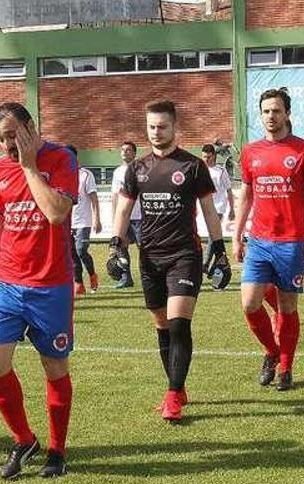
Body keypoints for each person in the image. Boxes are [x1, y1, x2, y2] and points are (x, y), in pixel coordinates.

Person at [111, 100, 224, 422]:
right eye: (151, 127)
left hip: (184, 255)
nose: (156, 132)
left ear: (175, 128)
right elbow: (123, 210)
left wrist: (219, 246)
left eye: (162, 126)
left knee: (178, 324)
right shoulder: (138, 169)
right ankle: (178, 385)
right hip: (150, 256)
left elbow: (208, 210)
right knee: (161, 325)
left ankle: (173, 396)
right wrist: (116, 245)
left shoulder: (192, 166)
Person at [0, 102, 76, 480]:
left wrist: (29, 167)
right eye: (0, 139)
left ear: (30, 127)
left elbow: (56, 212)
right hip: (7, 282)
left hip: (50, 286)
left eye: (11, 135)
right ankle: (23, 439)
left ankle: (57, 449)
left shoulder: (61, 159)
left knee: (54, 367)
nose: (6, 145)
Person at [231, 89, 304, 392]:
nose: (271, 116)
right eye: (266, 111)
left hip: (292, 241)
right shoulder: (250, 152)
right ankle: (271, 352)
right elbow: (246, 196)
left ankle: (286, 367)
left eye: (276, 111)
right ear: (261, 115)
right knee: (249, 303)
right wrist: (237, 235)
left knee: (286, 307)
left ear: (287, 114)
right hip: (258, 240)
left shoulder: (303, 151)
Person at [66, 145, 101, 296]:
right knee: (72, 254)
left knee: (81, 250)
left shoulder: (86, 175)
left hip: (83, 222)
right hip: (67, 222)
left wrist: (97, 219)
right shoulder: (62, 175)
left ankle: (92, 275)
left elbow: (94, 199)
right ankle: (79, 284)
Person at [109, 141, 141, 289]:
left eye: (129, 150)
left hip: (140, 215)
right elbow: (115, 196)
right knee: (121, 247)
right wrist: (115, 216)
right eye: (123, 150)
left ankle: (151, 276)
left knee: (145, 248)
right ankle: (126, 278)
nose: (125, 152)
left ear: (134, 153)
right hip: (124, 216)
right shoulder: (117, 172)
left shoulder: (142, 169)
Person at [200, 143, 236, 268]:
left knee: (211, 234)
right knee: (215, 235)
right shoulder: (200, 170)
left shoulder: (221, 171)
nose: (206, 160)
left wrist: (232, 209)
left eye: (208, 157)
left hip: (219, 207)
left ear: (214, 156)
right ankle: (219, 259)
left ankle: (205, 263)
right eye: (204, 157)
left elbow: (229, 190)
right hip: (205, 207)